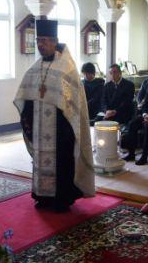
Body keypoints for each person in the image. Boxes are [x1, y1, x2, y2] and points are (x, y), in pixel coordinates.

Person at [14, 19, 95, 212]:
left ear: (55, 41)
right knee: (40, 161)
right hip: (39, 126)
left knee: (62, 162)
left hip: (61, 128)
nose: (40, 44)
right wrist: (27, 118)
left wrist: (66, 128)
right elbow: (26, 96)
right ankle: (42, 196)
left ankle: (62, 199)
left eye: (45, 40)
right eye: (38, 40)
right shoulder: (35, 68)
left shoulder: (66, 68)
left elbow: (74, 103)